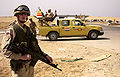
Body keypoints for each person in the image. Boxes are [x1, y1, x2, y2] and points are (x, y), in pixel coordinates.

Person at [1, 5, 53, 77]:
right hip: (19, 69)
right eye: (21, 14)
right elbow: (5, 51)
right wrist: (21, 57)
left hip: (30, 66)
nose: (23, 16)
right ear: (17, 15)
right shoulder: (12, 30)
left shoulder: (28, 30)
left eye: (25, 14)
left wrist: (45, 55)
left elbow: (35, 46)